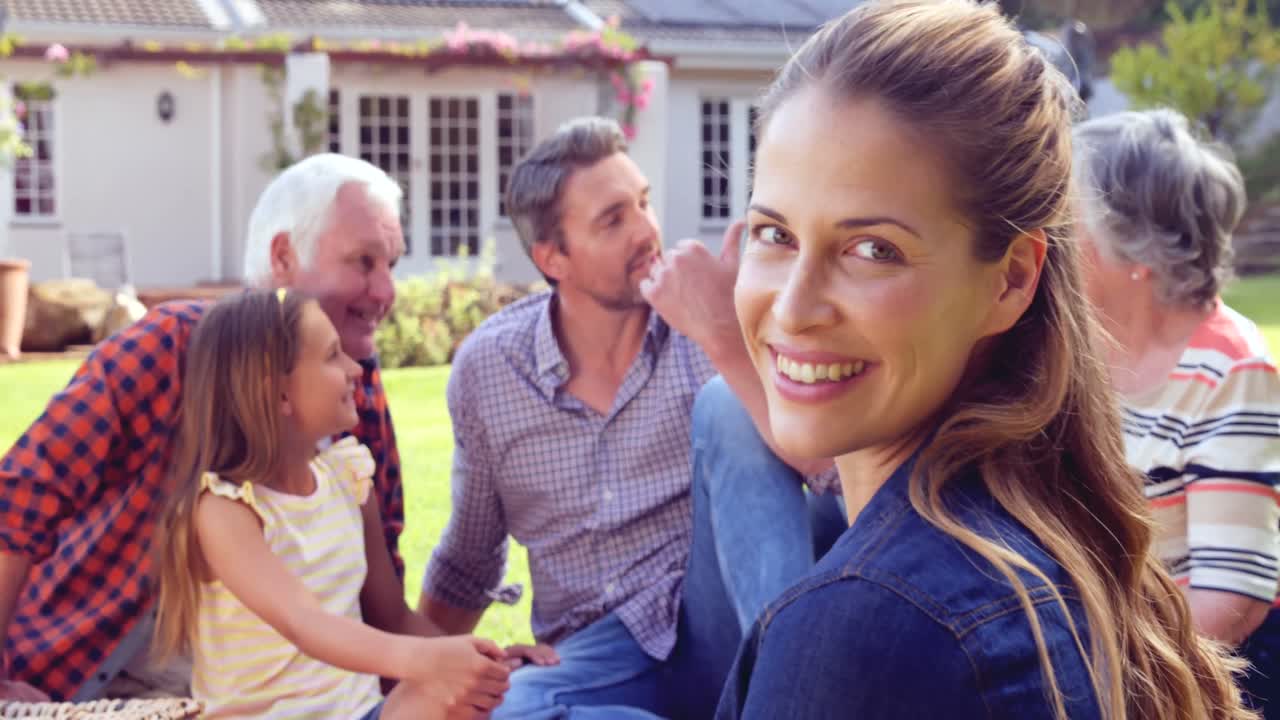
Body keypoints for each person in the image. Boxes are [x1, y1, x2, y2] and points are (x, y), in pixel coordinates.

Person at [714, 1, 1254, 718]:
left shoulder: (871, 627)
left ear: (1011, 279)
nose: (792, 307)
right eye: (774, 233)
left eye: (873, 249)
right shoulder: (1056, 549)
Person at [417, 116, 838, 720]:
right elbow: (469, 559)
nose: (647, 231)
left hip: (718, 619)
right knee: (500, 713)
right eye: (614, 220)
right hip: (592, 655)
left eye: (643, 203)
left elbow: (836, 488)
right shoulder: (491, 370)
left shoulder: (708, 315)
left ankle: (790, 701)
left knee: (724, 403)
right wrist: (421, 673)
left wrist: (724, 337)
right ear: (552, 257)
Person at [0, 154, 410, 702]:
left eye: (393, 266)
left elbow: (378, 583)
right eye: (364, 262)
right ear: (283, 258)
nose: (386, 292)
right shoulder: (170, 348)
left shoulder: (354, 391)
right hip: (92, 679)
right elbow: (22, 495)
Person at [151, 288, 509, 719]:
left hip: (360, 713)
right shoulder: (223, 509)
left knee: (473, 697)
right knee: (441, 697)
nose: (355, 370)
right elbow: (304, 622)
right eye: (332, 356)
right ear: (279, 395)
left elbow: (392, 617)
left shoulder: (347, 479)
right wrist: (428, 664)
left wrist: (491, 667)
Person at [1073, 108, 1280, 715]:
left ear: (1134, 247)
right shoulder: (1075, 343)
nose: (1046, 232)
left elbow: (1229, 602)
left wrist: (1096, 656)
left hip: (1205, 668)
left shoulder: (1231, 370)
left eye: (1066, 215)